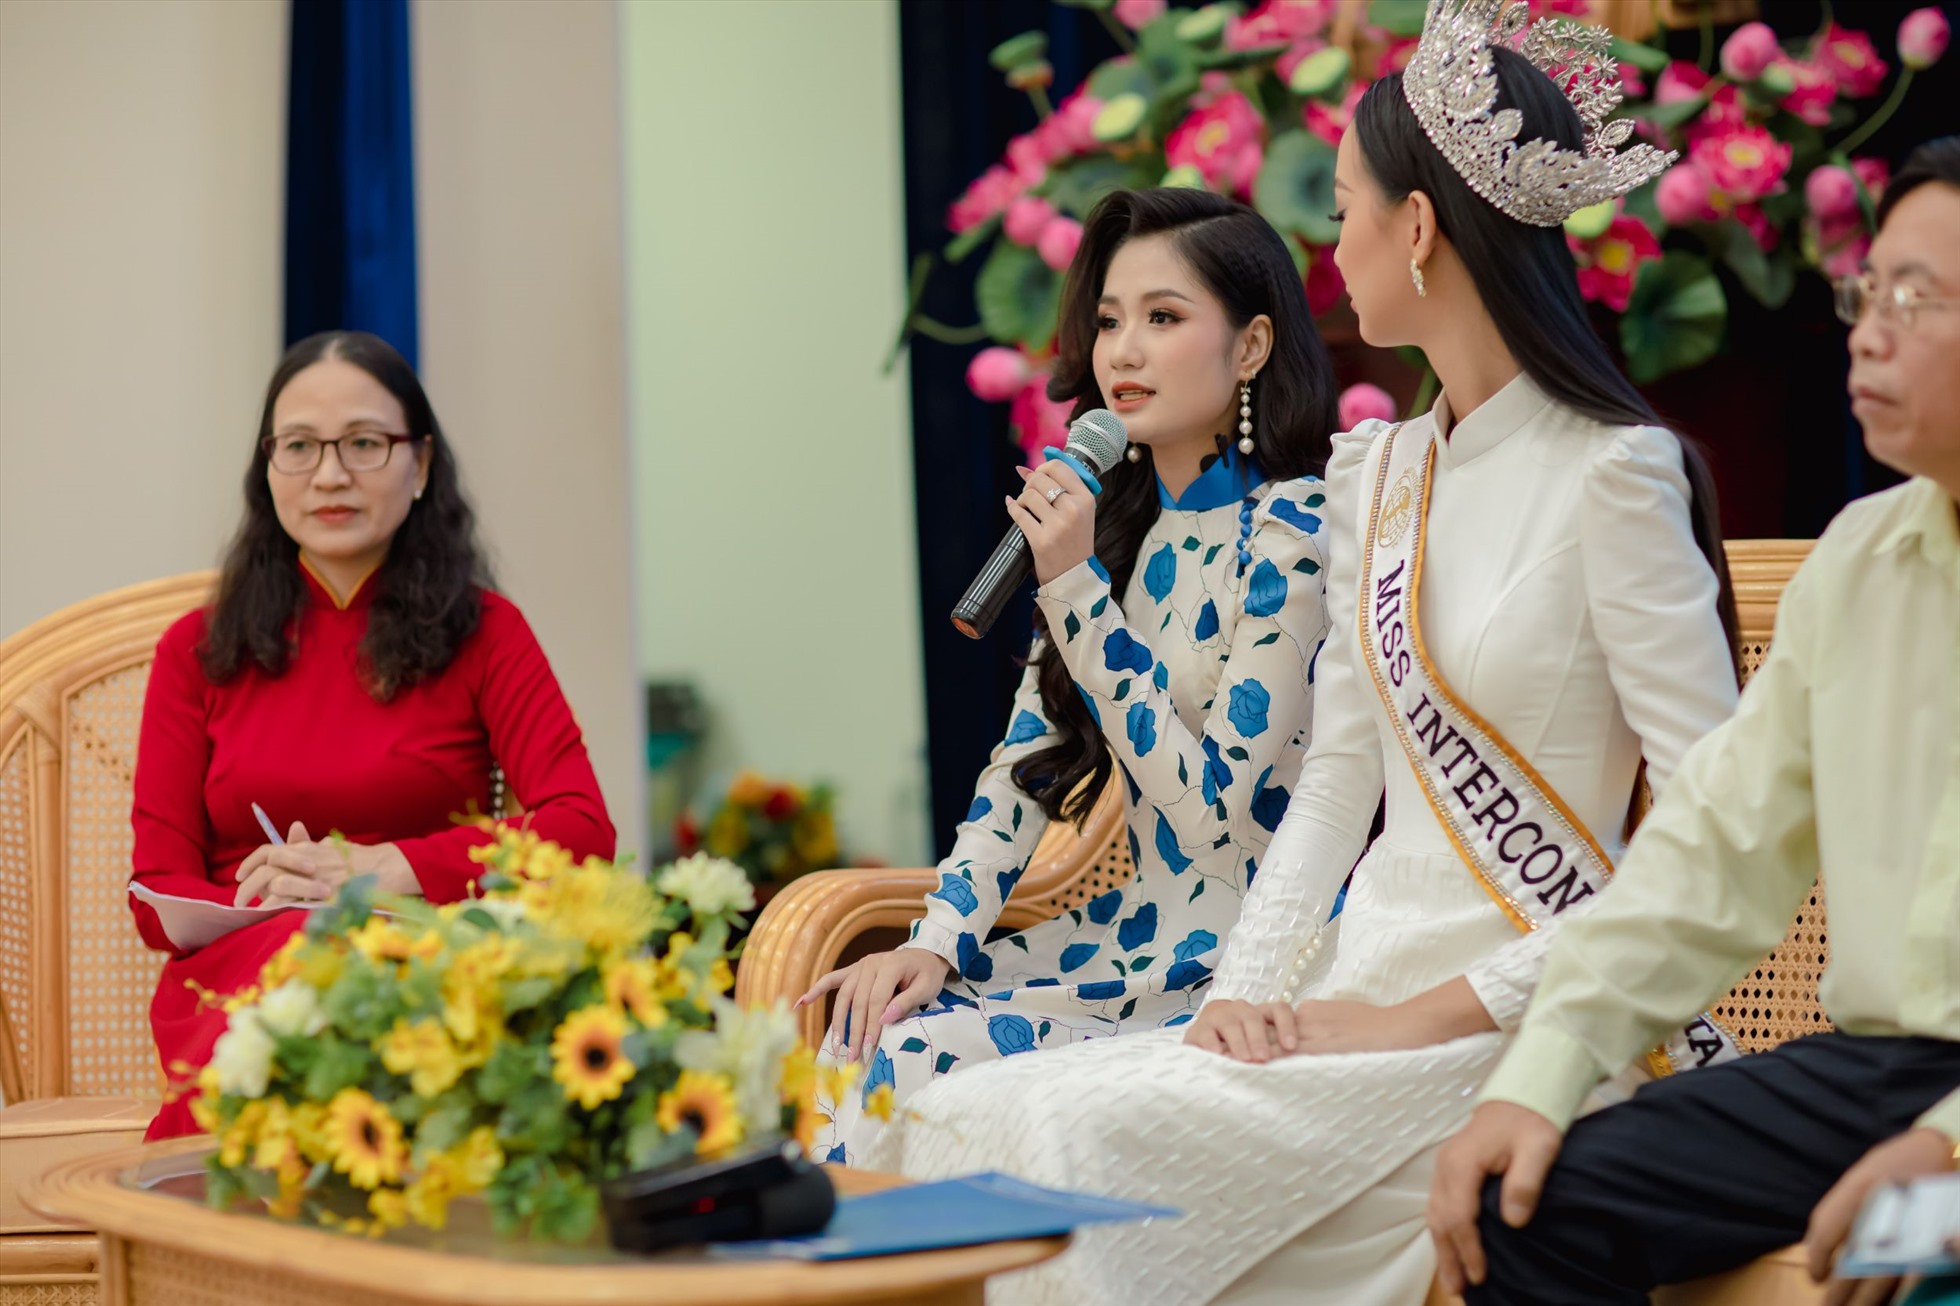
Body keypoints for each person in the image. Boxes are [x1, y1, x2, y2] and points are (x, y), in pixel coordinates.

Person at [861, 6, 1745, 1303]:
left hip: (1519, 1023)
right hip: (1341, 986)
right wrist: (1250, 991)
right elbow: (1338, 781)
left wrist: (1413, 1016)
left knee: (1059, 1141)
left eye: (1344, 213)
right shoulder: (1377, 472)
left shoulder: (1613, 475)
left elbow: (1710, 842)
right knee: (966, 1114)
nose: (1331, 255)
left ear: (1422, 230)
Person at [1428, 136, 1960, 1306]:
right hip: (1877, 1073)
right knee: (1524, 1205)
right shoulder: (1860, 564)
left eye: (1915, 300)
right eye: (1864, 290)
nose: (1867, 329)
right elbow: (1708, 853)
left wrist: (1949, 1156)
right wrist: (1540, 1074)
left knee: (1916, 1255)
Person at [800, 188, 1341, 1163]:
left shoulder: (1293, 534)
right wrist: (934, 937)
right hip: (1128, 942)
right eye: (1107, 320)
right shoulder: (1117, 534)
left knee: (923, 1061)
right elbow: (1023, 766)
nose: (1121, 351)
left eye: (1162, 318)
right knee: (870, 1037)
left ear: (1251, 347)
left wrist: (1078, 594)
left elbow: (1217, 820)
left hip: (1255, 963)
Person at [133, 330, 614, 1140]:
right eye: (299, 446)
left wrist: (382, 870)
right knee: (299, 981)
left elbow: (580, 830)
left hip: (426, 961)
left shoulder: (487, 633)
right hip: (242, 979)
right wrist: (279, 902)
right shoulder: (195, 649)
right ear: (267, 469)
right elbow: (157, 892)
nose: (329, 473)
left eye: (363, 442)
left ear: (419, 464)